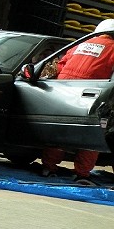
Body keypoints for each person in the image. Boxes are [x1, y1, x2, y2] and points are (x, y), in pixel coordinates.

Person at [39, 18, 114, 185]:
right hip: (91, 95)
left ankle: (48, 168)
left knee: (60, 132)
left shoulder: (79, 45)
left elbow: (59, 66)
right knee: (92, 136)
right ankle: (81, 174)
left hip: (63, 92)